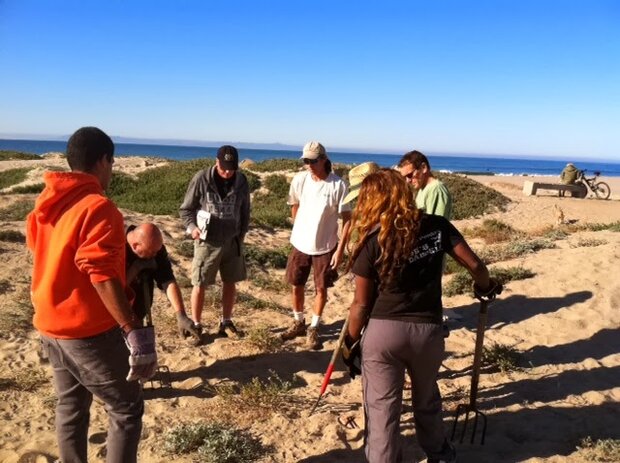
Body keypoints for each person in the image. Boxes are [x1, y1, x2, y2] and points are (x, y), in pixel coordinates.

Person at [341, 169, 501, 463]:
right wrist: (486, 286)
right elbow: (475, 265)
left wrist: (350, 342)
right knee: (426, 399)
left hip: (383, 333)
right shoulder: (437, 226)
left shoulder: (370, 240)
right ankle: (439, 454)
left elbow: (361, 305)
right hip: (428, 331)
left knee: (382, 409)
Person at [26, 127, 156, 463]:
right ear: (102, 161)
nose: (112, 170)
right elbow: (98, 273)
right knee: (126, 407)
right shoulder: (99, 208)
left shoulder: (47, 201)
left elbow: (37, 248)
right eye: (111, 162)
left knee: (70, 406)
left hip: (49, 324)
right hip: (86, 330)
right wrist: (131, 329)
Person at [280, 141, 352, 350]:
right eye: (305, 160)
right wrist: (301, 229)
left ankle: (314, 327)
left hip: (325, 246)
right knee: (296, 285)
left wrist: (339, 250)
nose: (309, 164)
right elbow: (295, 207)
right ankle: (298, 321)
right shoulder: (300, 180)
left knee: (321, 288)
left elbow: (347, 219)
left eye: (313, 160)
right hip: (300, 244)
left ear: (323, 160)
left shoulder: (338, 185)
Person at [179, 145, 250, 338]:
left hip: (232, 241)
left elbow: (245, 212)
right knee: (200, 283)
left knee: (230, 282)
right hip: (207, 242)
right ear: (216, 161)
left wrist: (240, 237)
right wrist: (192, 228)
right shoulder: (201, 178)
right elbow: (186, 209)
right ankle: (196, 324)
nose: (227, 173)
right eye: (223, 167)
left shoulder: (242, 180)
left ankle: (226, 321)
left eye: (231, 168)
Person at [125, 222, 201, 343]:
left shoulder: (154, 247)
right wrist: (135, 268)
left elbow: (167, 280)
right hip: (116, 315)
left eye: (157, 251)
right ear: (135, 246)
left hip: (139, 311)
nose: (155, 255)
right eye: (151, 252)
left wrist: (180, 315)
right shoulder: (116, 248)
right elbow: (113, 288)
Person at [398, 150, 453, 219]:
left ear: (423, 168)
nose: (407, 180)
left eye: (410, 175)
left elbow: (438, 224)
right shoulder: (422, 189)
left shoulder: (436, 189)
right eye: (404, 177)